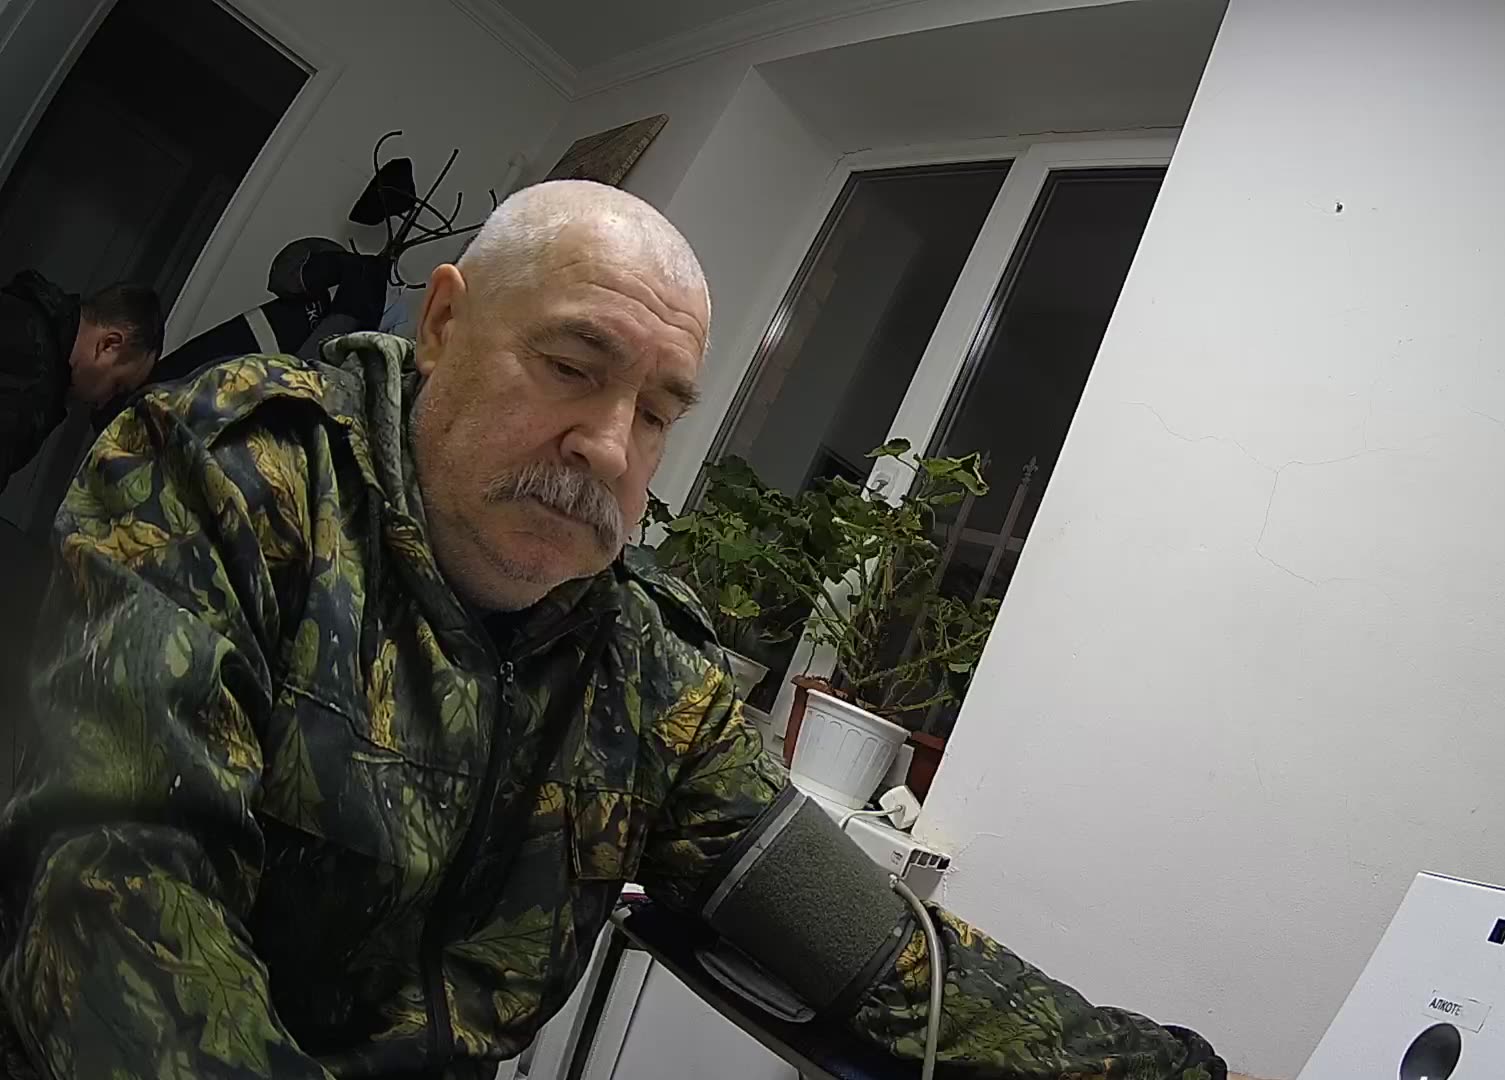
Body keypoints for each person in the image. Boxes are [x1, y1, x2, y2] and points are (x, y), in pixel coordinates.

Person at [0, 181, 1263, 1080]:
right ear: (444, 324)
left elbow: (873, 954)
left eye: (657, 411)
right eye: (572, 366)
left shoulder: (642, 666)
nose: (611, 448)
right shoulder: (233, 473)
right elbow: (118, 903)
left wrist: (1178, 1071)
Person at [0, 273, 162, 482]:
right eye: (117, 386)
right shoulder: (34, 380)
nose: (103, 403)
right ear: (109, 345)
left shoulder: (24, 307)